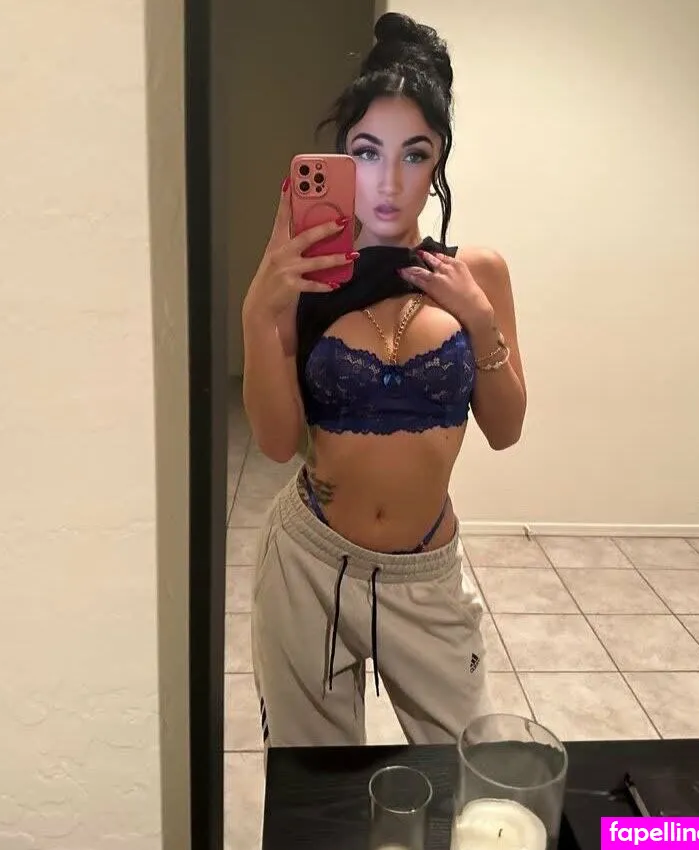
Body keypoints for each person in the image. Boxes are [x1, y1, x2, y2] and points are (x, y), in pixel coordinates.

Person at [241, 11, 527, 749]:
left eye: (415, 154)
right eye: (367, 153)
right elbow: (276, 443)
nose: (390, 182)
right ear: (341, 158)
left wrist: (477, 318)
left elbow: (506, 429)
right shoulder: (303, 281)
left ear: (438, 165)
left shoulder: (478, 274)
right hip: (308, 564)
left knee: (468, 767)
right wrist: (259, 313)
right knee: (313, 784)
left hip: (425, 574)